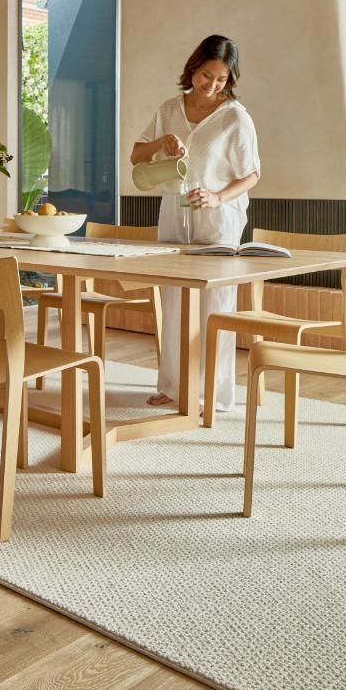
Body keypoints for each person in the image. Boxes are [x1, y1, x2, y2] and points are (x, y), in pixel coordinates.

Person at [130, 34, 261, 411]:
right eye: (207, 75)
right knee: (173, 298)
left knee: (214, 304)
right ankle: (173, 386)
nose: (212, 85)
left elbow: (251, 174)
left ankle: (213, 393)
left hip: (218, 215)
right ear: (193, 67)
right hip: (174, 210)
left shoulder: (236, 117)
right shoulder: (170, 109)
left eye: (221, 79)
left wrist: (218, 196)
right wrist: (163, 143)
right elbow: (137, 156)